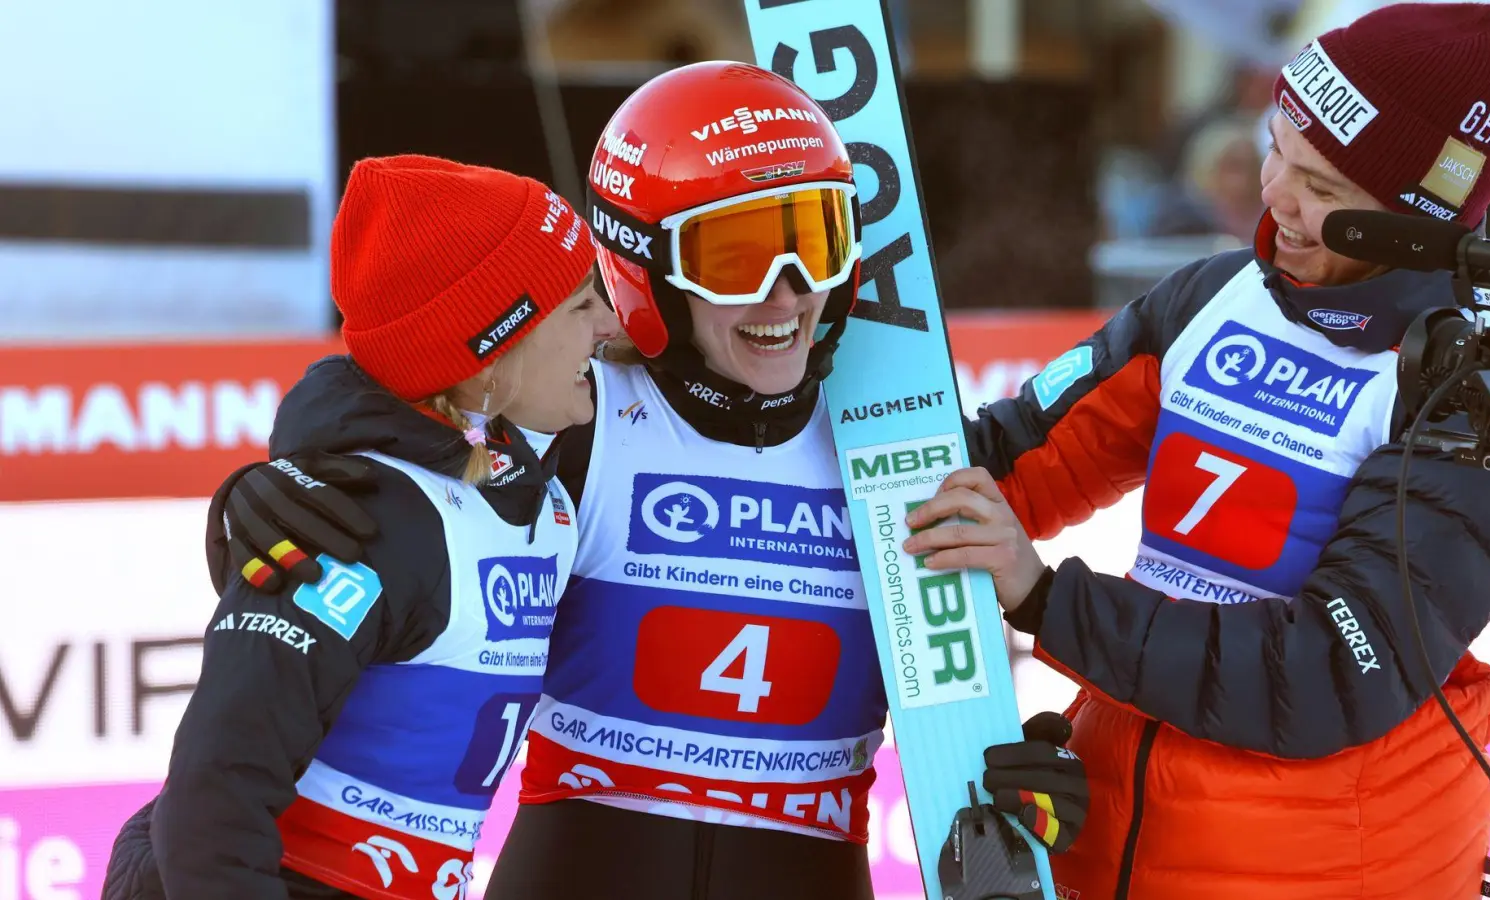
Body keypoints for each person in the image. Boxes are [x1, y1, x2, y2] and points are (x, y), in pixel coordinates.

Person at [192, 62, 1088, 900]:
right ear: (645, 266)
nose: (786, 294)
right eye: (735, 258)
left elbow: (976, 680)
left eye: (812, 243)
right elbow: (417, 385)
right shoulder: (579, 418)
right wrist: (289, 476)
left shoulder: (897, 448)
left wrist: (1027, 760)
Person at [899, 5, 1490, 899]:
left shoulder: (1489, 392)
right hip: (1131, 852)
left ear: (1415, 221)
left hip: (1328, 873)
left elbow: (1328, 675)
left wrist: (1049, 602)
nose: (1274, 195)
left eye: (1322, 186)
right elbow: (1004, 464)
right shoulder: (1216, 296)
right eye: (1274, 149)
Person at [100, 154, 610, 900]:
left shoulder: (526, 475)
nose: (608, 325)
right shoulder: (356, 522)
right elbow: (214, 800)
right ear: (493, 354)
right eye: (580, 306)